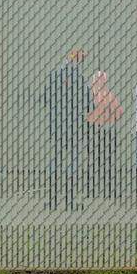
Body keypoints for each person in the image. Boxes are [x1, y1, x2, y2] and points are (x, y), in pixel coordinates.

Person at [43, 49, 90, 210]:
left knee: (56, 158)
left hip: (57, 124)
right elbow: (89, 102)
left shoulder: (54, 75)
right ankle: (70, 202)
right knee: (73, 160)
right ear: (77, 60)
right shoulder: (79, 78)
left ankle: (53, 201)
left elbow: (46, 98)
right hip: (73, 124)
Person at [86, 71, 124, 198]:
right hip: (108, 130)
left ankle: (91, 188)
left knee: (93, 159)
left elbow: (84, 114)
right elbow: (120, 112)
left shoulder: (89, 96)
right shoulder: (109, 95)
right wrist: (111, 118)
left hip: (93, 130)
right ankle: (108, 188)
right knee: (107, 159)